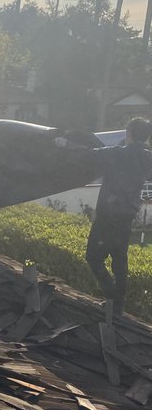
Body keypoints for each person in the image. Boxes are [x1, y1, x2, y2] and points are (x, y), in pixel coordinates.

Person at [85, 116, 152, 315]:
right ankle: (118, 305)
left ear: (128, 134)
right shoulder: (148, 158)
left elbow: (89, 154)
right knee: (119, 259)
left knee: (93, 257)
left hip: (107, 214)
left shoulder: (115, 154)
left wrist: (64, 144)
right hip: (126, 216)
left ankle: (112, 295)